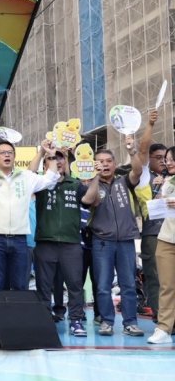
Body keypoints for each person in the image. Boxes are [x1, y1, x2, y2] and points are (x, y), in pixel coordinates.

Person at [82, 110, 156, 337]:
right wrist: (95, 177)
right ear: (95, 165)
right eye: (100, 162)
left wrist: (131, 150)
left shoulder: (124, 181)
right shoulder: (90, 184)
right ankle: (106, 321)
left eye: (108, 161)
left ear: (114, 164)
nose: (104, 165)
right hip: (102, 242)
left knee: (128, 285)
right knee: (103, 285)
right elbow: (88, 200)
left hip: (125, 241)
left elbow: (137, 170)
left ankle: (130, 322)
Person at [0, 140, 58, 291]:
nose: (7, 155)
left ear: (15, 156)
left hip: (20, 239)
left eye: (10, 153)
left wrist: (52, 155)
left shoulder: (26, 177)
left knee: (20, 284)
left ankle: (18, 308)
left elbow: (50, 179)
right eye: (3, 153)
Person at [28, 146, 88, 336]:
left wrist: (92, 175)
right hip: (45, 243)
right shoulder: (41, 184)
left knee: (75, 285)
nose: (58, 161)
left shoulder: (76, 184)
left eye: (61, 158)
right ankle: (44, 319)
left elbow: (91, 200)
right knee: (43, 286)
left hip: (71, 244)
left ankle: (76, 320)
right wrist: (42, 152)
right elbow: (29, 174)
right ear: (46, 164)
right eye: (53, 158)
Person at [148, 145, 175, 344]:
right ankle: (164, 328)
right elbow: (158, 209)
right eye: (167, 159)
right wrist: (157, 192)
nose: (168, 163)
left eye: (172, 159)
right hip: (167, 238)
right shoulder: (167, 181)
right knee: (166, 286)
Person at [137, 143, 167, 319]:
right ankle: (160, 316)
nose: (163, 161)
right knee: (155, 276)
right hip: (153, 233)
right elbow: (148, 208)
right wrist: (158, 190)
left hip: (171, 232)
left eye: (166, 158)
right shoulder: (145, 178)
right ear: (149, 159)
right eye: (159, 158)